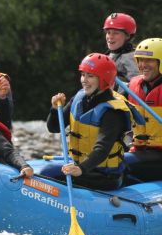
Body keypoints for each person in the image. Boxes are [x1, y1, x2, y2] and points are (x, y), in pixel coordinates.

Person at [42, 53, 143, 190]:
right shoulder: (79, 98)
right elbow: (53, 127)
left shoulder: (112, 111)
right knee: (46, 172)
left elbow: (102, 148)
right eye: (83, 75)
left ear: (104, 80)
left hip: (105, 175)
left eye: (90, 76)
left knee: (48, 173)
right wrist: (55, 109)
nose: (84, 80)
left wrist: (81, 169)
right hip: (84, 167)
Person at [125, 38, 162, 181]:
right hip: (139, 150)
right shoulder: (133, 86)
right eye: (140, 60)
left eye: (149, 60)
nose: (142, 65)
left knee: (119, 163)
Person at [103, 13, 139, 90]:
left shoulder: (131, 57)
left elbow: (137, 86)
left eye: (116, 33)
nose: (110, 37)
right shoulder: (108, 55)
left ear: (128, 36)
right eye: (108, 32)